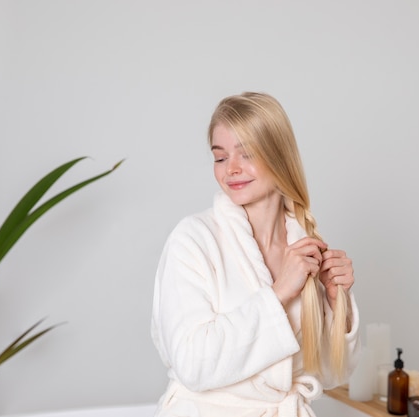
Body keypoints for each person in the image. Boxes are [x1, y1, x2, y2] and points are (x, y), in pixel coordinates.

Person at [151, 92, 360, 416]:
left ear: (279, 156)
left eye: (246, 154)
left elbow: (333, 376)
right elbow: (192, 362)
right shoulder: (193, 239)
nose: (231, 169)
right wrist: (278, 294)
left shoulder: (304, 249)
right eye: (220, 157)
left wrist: (338, 306)